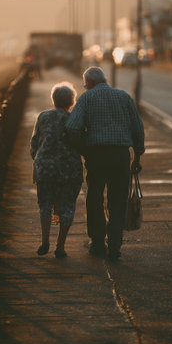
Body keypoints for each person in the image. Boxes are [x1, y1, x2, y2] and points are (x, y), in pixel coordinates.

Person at [66, 67, 145, 261]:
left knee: (94, 198)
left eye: (85, 85)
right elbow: (138, 129)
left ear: (89, 84)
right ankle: (115, 245)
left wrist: (84, 150)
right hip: (120, 156)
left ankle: (98, 243)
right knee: (118, 200)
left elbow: (71, 128)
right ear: (105, 80)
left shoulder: (86, 98)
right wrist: (137, 157)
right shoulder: (124, 97)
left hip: (97, 156)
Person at [30, 82, 83, 258]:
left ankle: (45, 241)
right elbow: (81, 142)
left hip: (45, 168)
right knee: (67, 206)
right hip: (69, 170)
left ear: (53, 100)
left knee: (45, 205)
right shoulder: (74, 118)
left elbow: (34, 143)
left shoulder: (43, 116)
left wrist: (38, 158)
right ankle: (60, 247)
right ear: (71, 101)